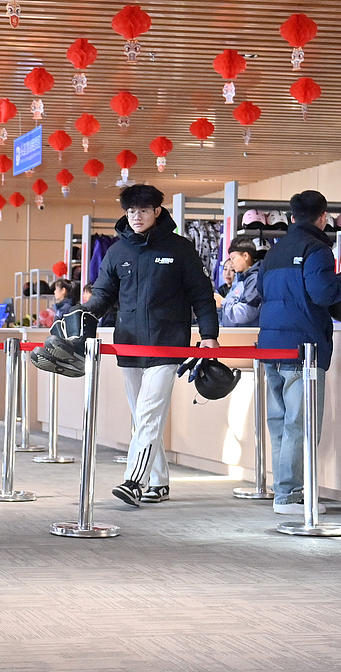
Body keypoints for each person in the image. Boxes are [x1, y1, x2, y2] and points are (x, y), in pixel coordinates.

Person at [80, 184, 219, 506]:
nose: (136, 217)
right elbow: (103, 295)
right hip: (128, 343)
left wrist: (209, 334)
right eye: (130, 212)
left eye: (143, 211)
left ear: (158, 211)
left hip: (168, 343)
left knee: (148, 413)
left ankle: (134, 480)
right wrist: (83, 318)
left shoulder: (180, 249)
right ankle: (158, 481)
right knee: (142, 415)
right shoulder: (117, 252)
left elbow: (201, 294)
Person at [258, 190, 341, 515]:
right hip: (303, 348)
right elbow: (322, 292)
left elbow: (261, 291)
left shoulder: (274, 252)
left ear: (291, 217)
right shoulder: (317, 249)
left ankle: (284, 492)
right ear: (323, 217)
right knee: (300, 424)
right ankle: (289, 495)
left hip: (270, 346)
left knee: (280, 421)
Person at [218, 239, 262, 327]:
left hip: (246, 337)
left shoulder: (254, 279)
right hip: (235, 336)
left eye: (233, 258)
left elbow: (248, 312)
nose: (231, 262)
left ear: (245, 256)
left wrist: (222, 302)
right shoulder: (239, 281)